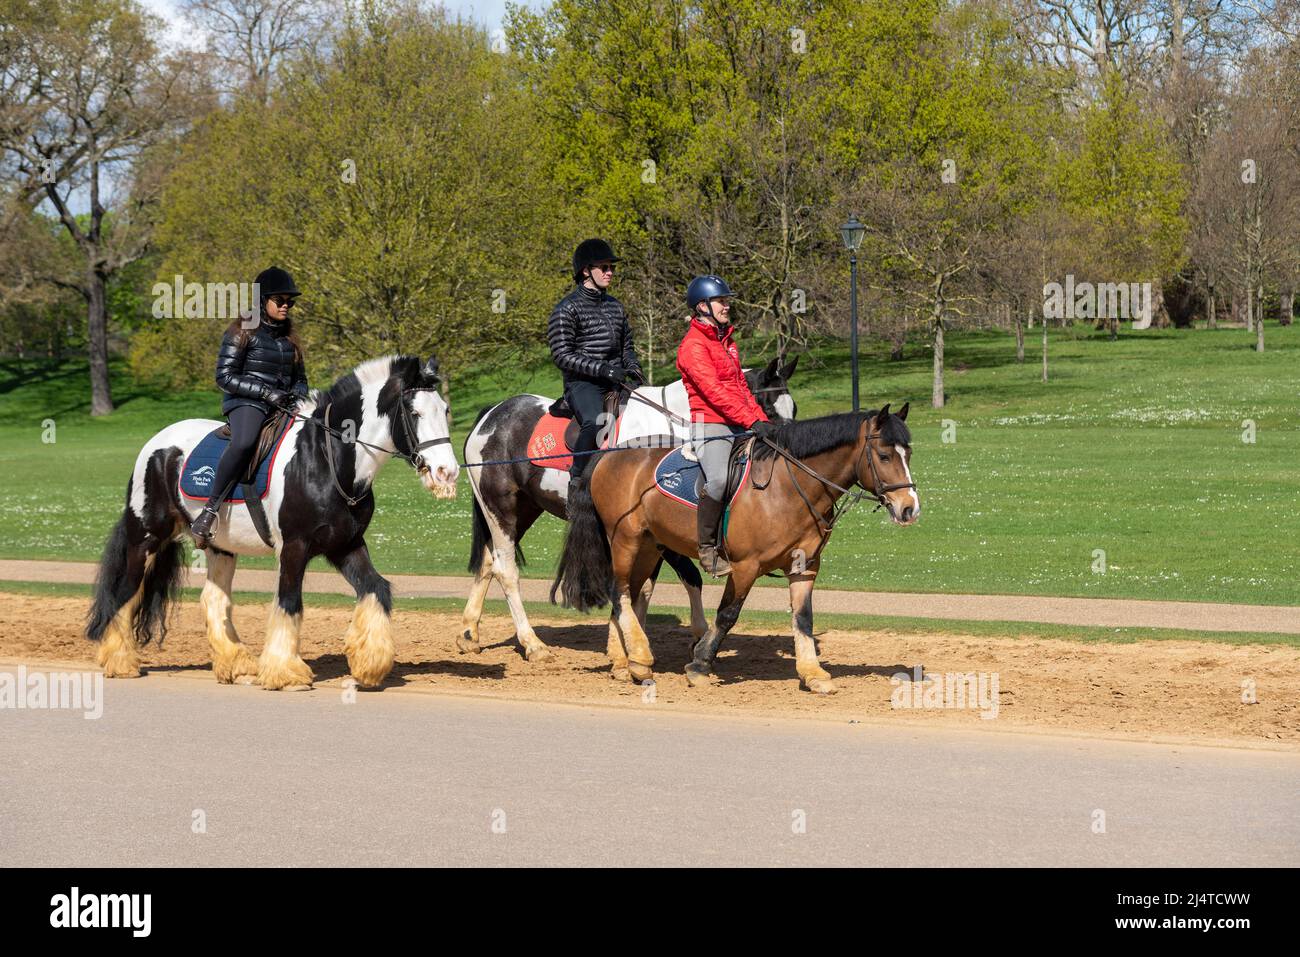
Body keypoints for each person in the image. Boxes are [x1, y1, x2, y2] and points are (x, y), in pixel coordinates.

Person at [189, 266, 309, 548]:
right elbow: (225, 377)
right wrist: (267, 393)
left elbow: (301, 379)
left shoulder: (291, 339)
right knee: (244, 442)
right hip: (246, 402)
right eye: (280, 301)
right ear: (261, 300)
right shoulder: (241, 331)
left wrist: (297, 395)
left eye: (290, 302)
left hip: (282, 404)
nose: (286, 306)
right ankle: (209, 510)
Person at [675, 275, 778, 576]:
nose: (727, 305)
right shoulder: (692, 346)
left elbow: (741, 389)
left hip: (740, 422)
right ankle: (707, 549)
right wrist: (751, 420)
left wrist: (762, 420)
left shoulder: (727, 341)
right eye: (721, 301)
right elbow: (714, 393)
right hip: (711, 426)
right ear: (702, 306)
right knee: (719, 480)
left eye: (726, 300)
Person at [546, 238, 645, 484]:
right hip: (583, 384)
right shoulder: (566, 309)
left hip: (615, 380)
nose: (610, 272)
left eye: (612, 268)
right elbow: (562, 355)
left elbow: (627, 345)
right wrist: (602, 369)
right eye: (604, 267)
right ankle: (577, 475)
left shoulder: (615, 306)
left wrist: (632, 366)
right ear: (586, 271)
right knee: (593, 421)